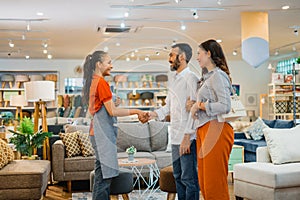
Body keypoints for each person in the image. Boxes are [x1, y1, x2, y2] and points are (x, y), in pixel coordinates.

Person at [82, 50, 148, 200]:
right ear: (99, 64)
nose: (111, 66)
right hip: (102, 135)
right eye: (109, 62)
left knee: (101, 175)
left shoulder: (93, 81)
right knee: (105, 178)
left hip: (97, 133)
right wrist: (136, 110)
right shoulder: (101, 83)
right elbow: (112, 112)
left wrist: (113, 101)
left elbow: (102, 106)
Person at [149, 43, 200, 200]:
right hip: (176, 137)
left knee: (189, 179)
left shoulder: (191, 78)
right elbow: (168, 108)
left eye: (172, 55)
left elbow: (195, 111)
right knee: (178, 176)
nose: (169, 58)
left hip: (188, 138)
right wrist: (152, 115)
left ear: (182, 57)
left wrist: (187, 136)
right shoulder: (174, 80)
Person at [186, 39, 234, 200]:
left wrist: (200, 106)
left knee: (214, 184)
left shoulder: (218, 76)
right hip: (205, 129)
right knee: (205, 184)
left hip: (217, 129)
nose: (197, 57)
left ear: (209, 54)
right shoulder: (208, 77)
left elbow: (225, 105)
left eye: (199, 53)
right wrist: (195, 106)